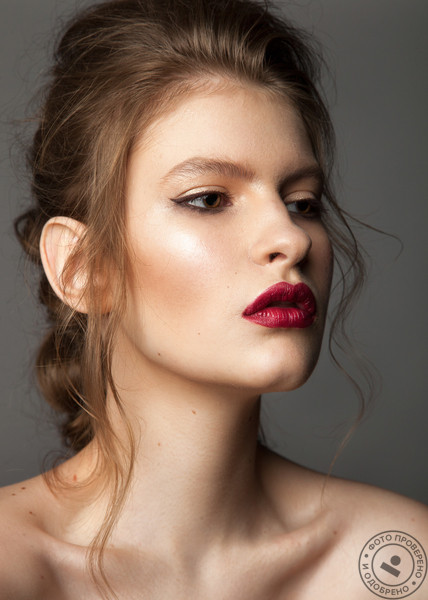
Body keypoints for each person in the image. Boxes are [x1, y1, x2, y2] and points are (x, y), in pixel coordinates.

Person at [1, 0, 427, 598]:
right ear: (83, 268)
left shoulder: (400, 564)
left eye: (302, 202)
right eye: (208, 199)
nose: (290, 238)